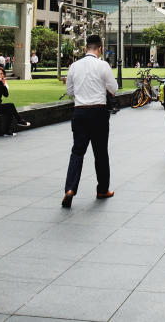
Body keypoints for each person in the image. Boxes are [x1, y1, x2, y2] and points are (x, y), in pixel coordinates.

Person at [62, 34, 117, 208]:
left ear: (86, 48)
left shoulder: (74, 66)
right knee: (100, 153)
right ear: (100, 48)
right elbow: (114, 89)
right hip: (98, 112)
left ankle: (70, 189)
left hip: (80, 112)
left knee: (77, 152)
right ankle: (102, 189)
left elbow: (70, 91)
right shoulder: (103, 65)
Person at [0, 66, 30, 136]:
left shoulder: (1, 83)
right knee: (11, 105)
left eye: (3, 74)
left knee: (10, 111)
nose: (2, 75)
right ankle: (20, 121)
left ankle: (7, 131)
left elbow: (6, 95)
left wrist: (3, 84)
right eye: (0, 73)